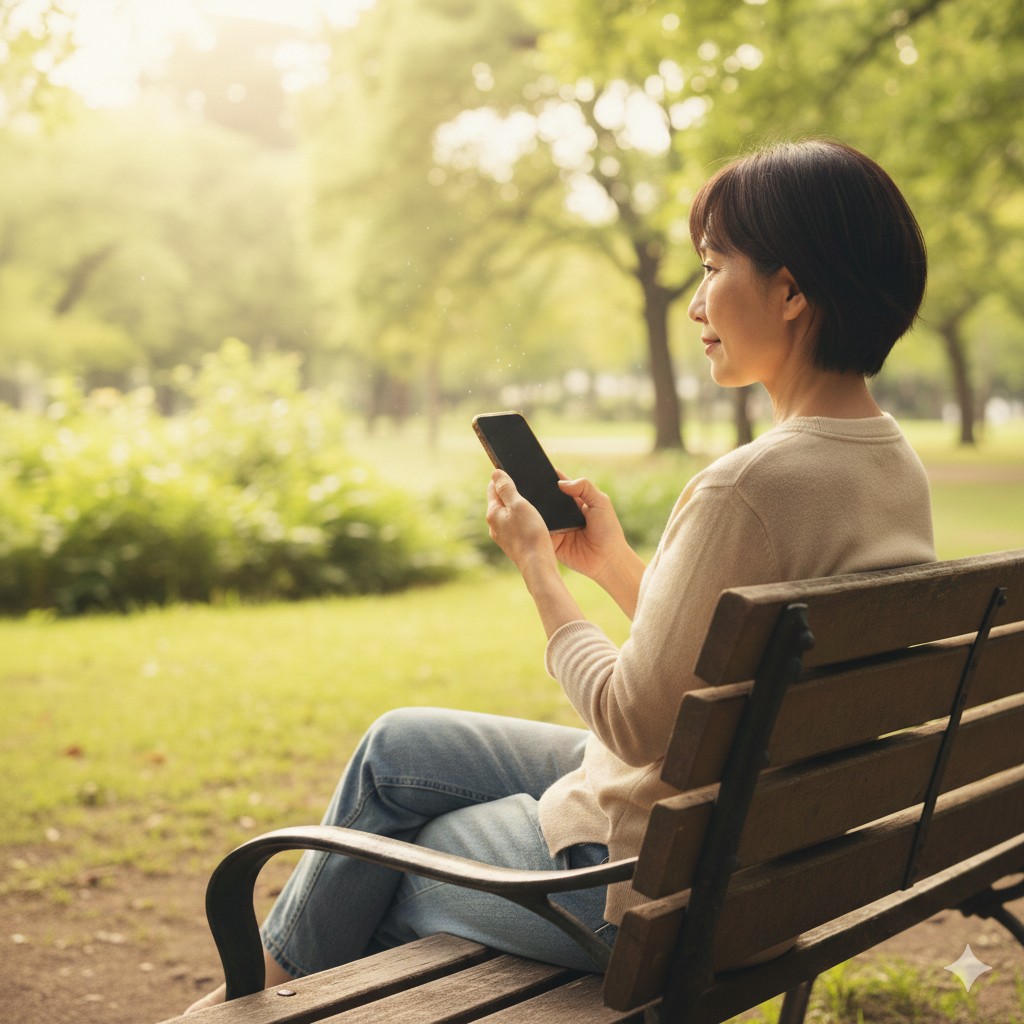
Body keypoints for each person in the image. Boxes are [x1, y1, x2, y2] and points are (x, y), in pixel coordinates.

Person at [185, 138, 934, 1013]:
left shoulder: (748, 486)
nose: (697, 304)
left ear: (791, 293)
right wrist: (610, 563)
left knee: (385, 859)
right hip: (764, 859)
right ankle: (264, 989)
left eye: (712, 267)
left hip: (649, 893)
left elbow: (632, 718)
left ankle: (251, 1004)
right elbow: (724, 661)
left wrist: (540, 572)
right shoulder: (890, 467)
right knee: (396, 750)